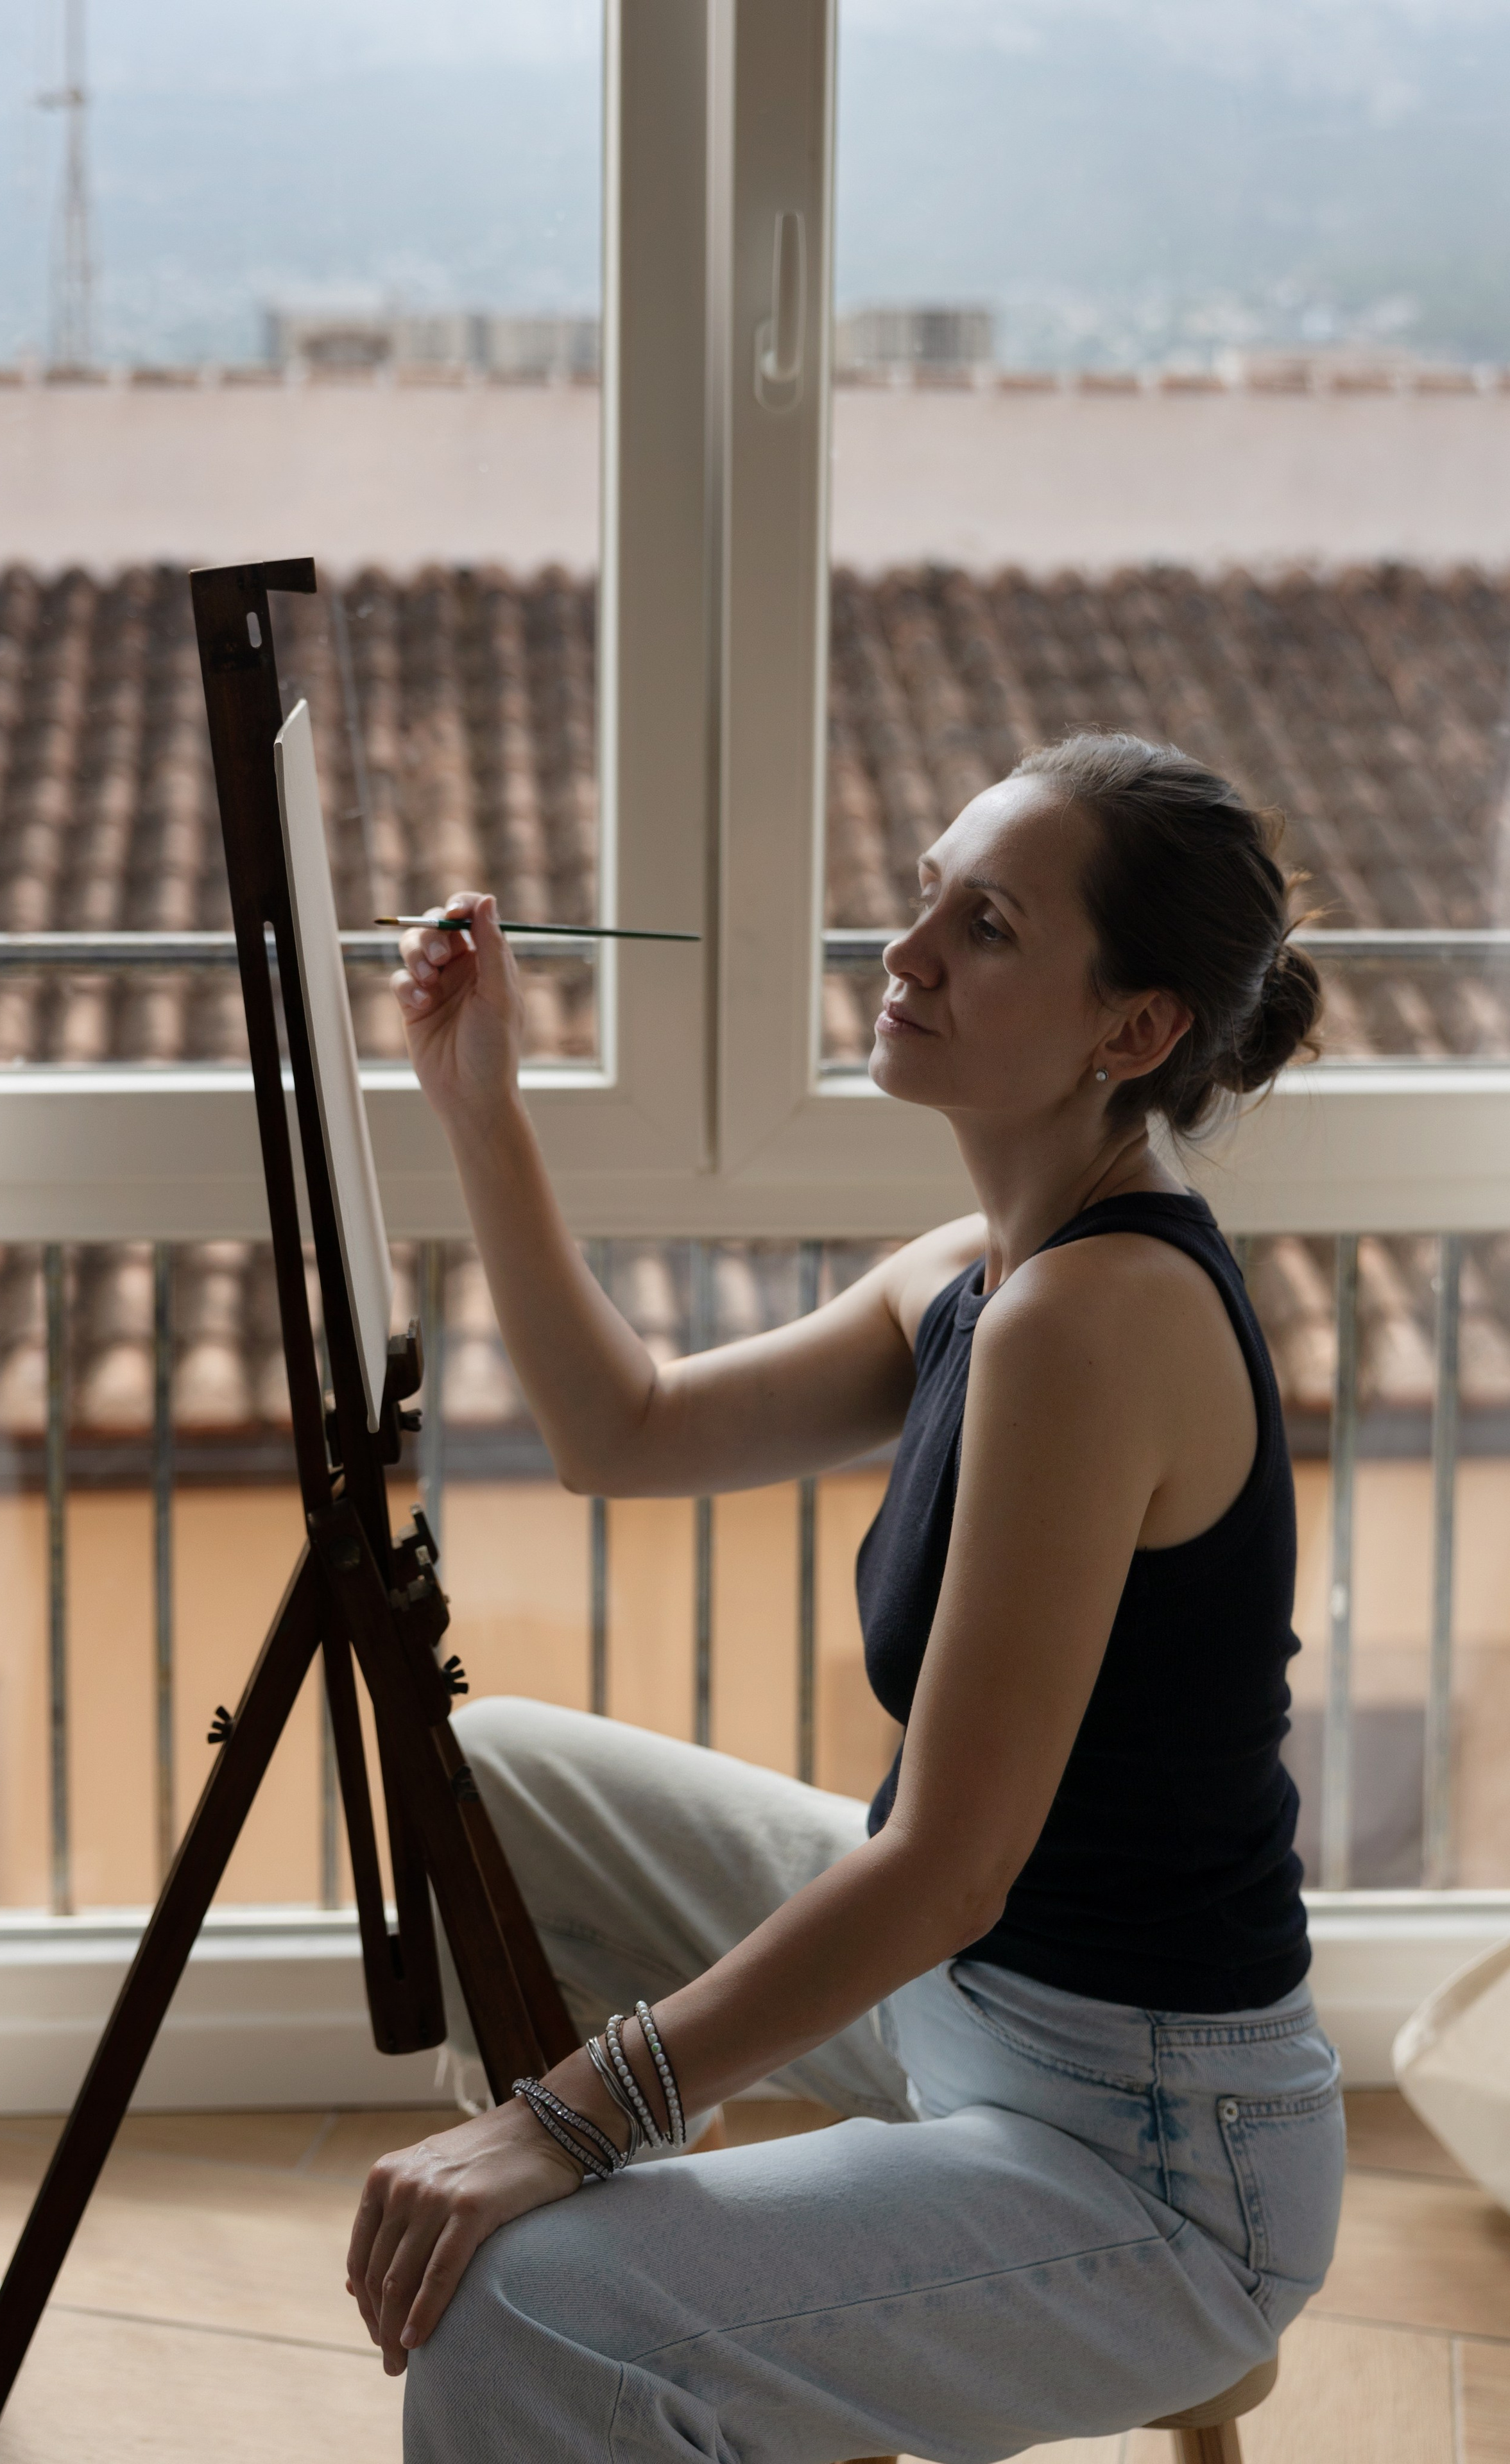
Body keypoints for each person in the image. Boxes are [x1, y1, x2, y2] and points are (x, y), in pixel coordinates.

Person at [350, 731, 1345, 2464]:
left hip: (1150, 2144)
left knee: (520, 2319)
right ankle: (757, 2319)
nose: (908, 955)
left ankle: (693, 2320)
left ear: (1136, 1030)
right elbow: (622, 1430)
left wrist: (568, 2121)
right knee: (482, 1779)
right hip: (971, 2003)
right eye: (925, 900)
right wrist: (478, 1104)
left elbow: (948, 1867)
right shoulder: (980, 1272)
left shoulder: (1092, 1324)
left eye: (987, 926)